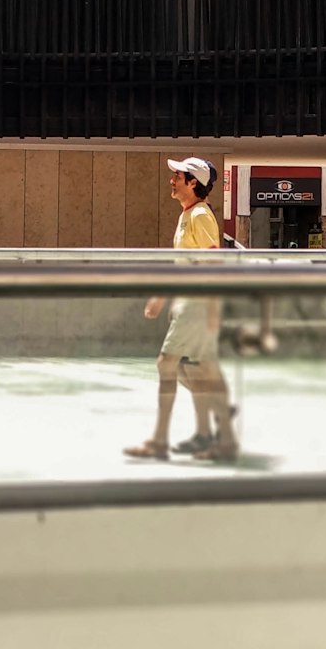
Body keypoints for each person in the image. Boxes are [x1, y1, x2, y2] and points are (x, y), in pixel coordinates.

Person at [124, 158, 238, 463]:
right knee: (194, 369)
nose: (171, 180)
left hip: (197, 304)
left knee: (168, 364)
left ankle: (162, 441)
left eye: (178, 176)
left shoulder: (200, 215)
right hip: (191, 303)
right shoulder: (189, 215)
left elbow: (214, 264)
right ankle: (217, 426)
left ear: (193, 182)